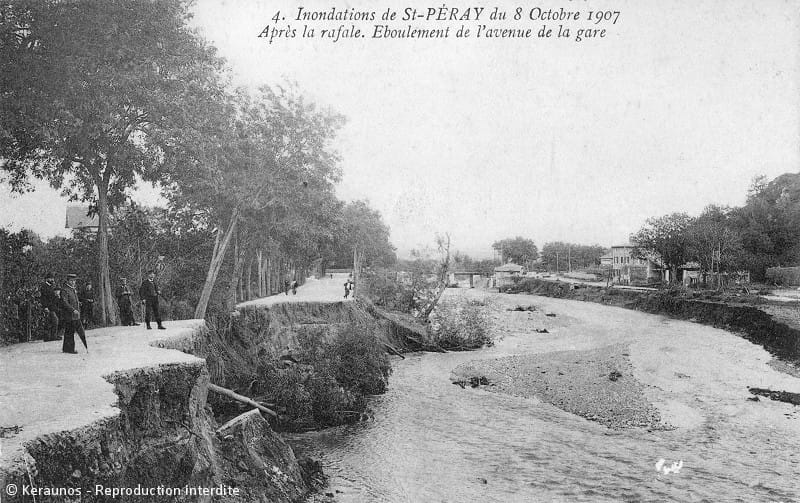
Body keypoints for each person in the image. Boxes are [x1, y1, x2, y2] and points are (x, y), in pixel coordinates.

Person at [60, 274, 84, 354]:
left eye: (74, 281)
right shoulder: (65, 290)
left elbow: (73, 300)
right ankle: (70, 349)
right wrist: (72, 310)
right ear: (68, 281)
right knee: (70, 331)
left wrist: (78, 303)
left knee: (69, 331)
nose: (73, 282)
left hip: (73, 314)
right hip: (68, 314)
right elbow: (64, 302)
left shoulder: (72, 289)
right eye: (71, 281)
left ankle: (66, 348)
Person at [39, 272, 61, 341]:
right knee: (53, 321)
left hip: (52, 306)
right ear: (47, 279)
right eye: (51, 278)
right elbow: (43, 298)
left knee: (50, 321)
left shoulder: (52, 286)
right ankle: (50, 336)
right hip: (48, 307)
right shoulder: (44, 286)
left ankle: (50, 336)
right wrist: (45, 307)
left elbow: (53, 297)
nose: (52, 280)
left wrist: (57, 296)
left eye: (53, 278)